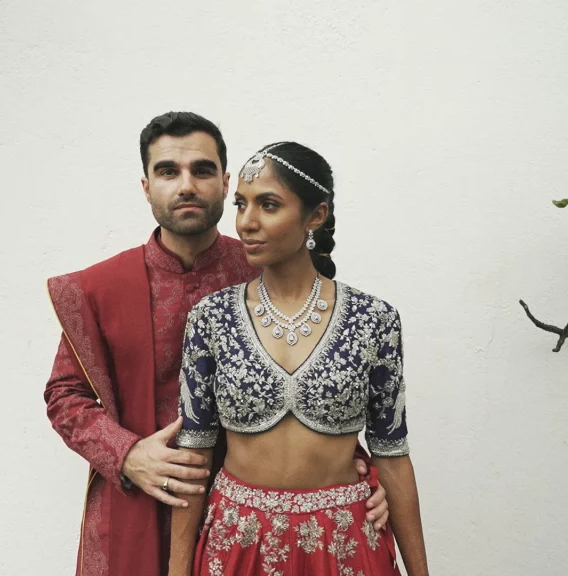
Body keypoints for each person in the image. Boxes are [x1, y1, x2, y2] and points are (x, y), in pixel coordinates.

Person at [44, 113, 391, 576]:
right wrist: (129, 454)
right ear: (146, 186)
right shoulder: (100, 289)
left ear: (226, 183)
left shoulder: (266, 265)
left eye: (202, 170)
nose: (186, 185)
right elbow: (65, 395)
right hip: (139, 501)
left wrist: (354, 467)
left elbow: (328, 376)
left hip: (253, 513)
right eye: (168, 171)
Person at [170, 142, 430, 576]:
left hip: (345, 544)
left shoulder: (374, 320)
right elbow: (193, 457)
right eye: (241, 205)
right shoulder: (211, 319)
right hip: (238, 545)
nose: (247, 223)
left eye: (268, 205)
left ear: (316, 215)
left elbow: (392, 455)